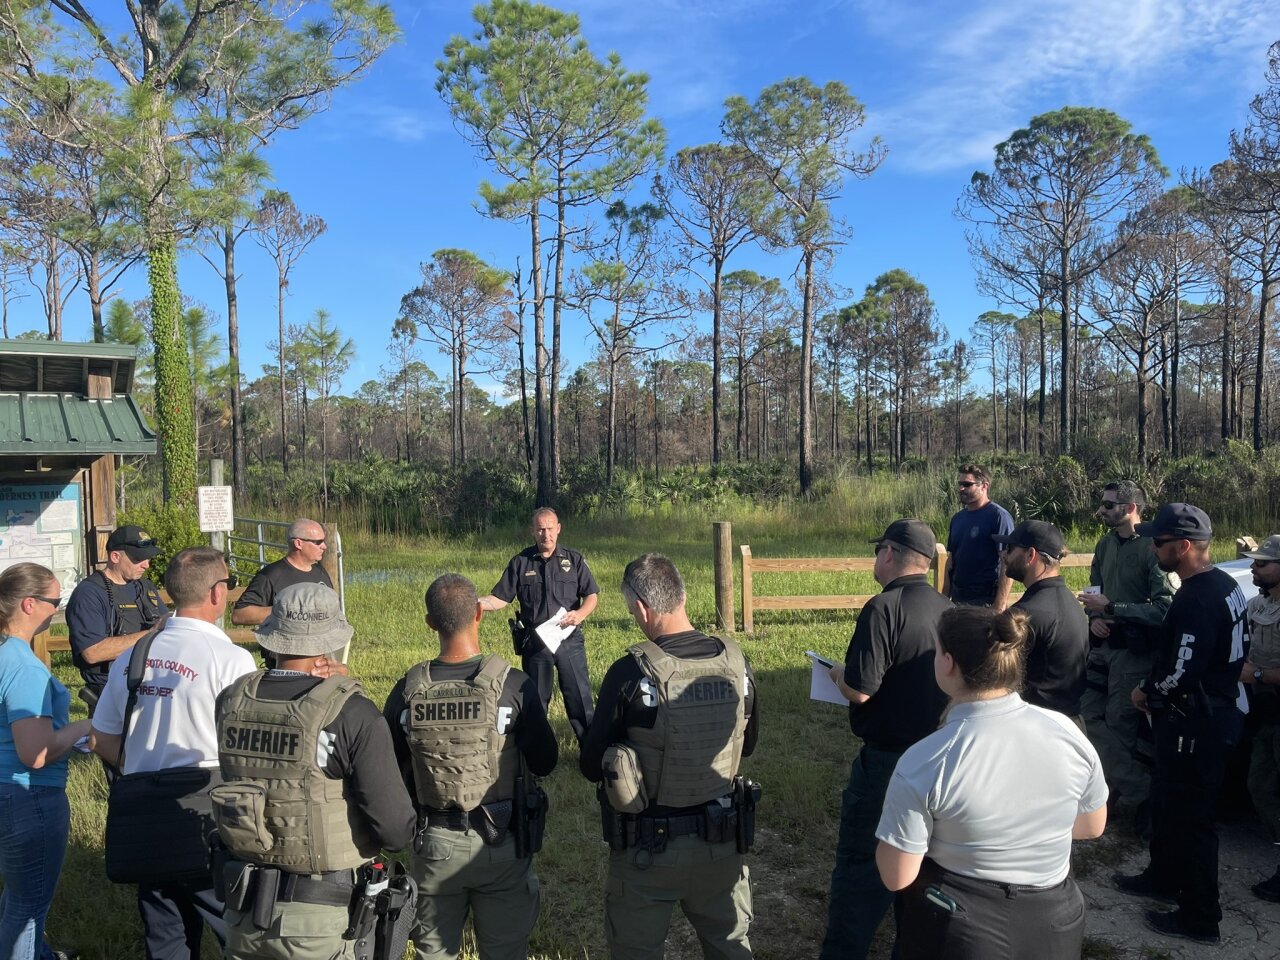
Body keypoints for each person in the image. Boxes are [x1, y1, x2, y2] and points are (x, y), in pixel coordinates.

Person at [874, 606, 1108, 960]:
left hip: (959, 927)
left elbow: (897, 876)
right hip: (1055, 923)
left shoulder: (927, 759)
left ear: (948, 663)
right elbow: (1092, 825)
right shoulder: (1067, 733)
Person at [214, 582, 416, 960]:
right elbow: (394, 829)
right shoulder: (352, 714)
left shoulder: (232, 700)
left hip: (241, 912)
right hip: (320, 921)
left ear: (274, 636)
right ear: (329, 641)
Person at [580, 553, 759, 960]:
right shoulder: (736, 664)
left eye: (632, 610)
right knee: (730, 947)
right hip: (722, 844)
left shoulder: (630, 673)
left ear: (642, 608)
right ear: (682, 595)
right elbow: (745, 745)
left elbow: (592, 765)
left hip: (649, 852)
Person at [92, 547, 258, 960]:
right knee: (237, 933)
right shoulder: (231, 659)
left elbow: (101, 738)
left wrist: (144, 766)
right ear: (217, 594)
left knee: (165, 936)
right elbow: (249, 747)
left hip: (146, 815)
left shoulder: (136, 653)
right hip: (207, 817)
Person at [384, 573, 558, 960]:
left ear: (430, 622)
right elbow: (546, 761)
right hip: (502, 844)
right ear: (479, 613)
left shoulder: (407, 691)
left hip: (434, 847)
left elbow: (391, 769)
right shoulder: (514, 686)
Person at [1114, 503, 1249, 945]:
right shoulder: (1226, 584)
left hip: (1197, 720)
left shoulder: (1196, 598)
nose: (1153, 547)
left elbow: (1182, 669)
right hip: (1205, 713)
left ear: (1184, 547)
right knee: (1169, 803)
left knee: (1192, 818)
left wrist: (1146, 693)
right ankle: (1162, 877)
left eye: (1160, 542)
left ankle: (1199, 917)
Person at [819, 520, 952, 960]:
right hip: (939, 757)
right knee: (922, 869)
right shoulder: (947, 608)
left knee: (862, 868)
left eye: (879, 551)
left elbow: (860, 689)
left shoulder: (883, 607)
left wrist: (837, 673)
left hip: (887, 765)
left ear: (890, 554)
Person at [0, 563, 94, 960]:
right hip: (31, 797)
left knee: (17, 899)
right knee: (28, 911)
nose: (58, 609)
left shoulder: (6, 654)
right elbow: (35, 753)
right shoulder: (23, 666)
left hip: (10, 793)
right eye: (55, 602)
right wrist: (89, 724)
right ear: (28, 604)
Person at [1077, 481, 1176, 833]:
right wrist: (1096, 617)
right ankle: (1134, 788)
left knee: (1121, 726)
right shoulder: (1104, 545)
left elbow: (1165, 607)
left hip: (1134, 653)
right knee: (1086, 718)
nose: (1101, 510)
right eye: (1102, 504)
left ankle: (1132, 798)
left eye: (1108, 505)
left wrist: (1115, 609)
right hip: (1104, 647)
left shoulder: (1152, 548)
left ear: (1130, 507)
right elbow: (1095, 590)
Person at [479, 508, 598, 741]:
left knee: (580, 699)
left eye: (550, 528)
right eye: (541, 529)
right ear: (533, 531)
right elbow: (500, 598)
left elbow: (591, 595)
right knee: (536, 703)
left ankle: (591, 755)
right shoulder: (520, 563)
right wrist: (475, 604)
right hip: (536, 644)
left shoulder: (573, 560)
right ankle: (539, 759)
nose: (546, 534)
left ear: (559, 529)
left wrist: (580, 614)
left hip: (569, 640)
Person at [997, 520, 1090, 720]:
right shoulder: (1072, 604)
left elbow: (997, 681)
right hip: (1070, 722)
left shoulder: (1025, 614)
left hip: (1036, 727)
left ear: (1030, 555)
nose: (1004, 555)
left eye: (1010, 548)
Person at [66, 524, 168, 703]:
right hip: (110, 693)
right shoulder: (89, 594)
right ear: (115, 556)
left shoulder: (145, 588)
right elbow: (92, 652)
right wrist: (151, 634)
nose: (147, 565)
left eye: (148, 558)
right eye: (138, 559)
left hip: (148, 688)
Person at [1238, 534, 1280, 902]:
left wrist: (1258, 675)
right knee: (1261, 785)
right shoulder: (1259, 605)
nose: (1254, 567)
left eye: (1263, 563)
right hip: (1266, 712)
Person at [231, 518, 333, 627]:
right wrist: (288, 611)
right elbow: (239, 614)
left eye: (324, 541)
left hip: (321, 642)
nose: (324, 546)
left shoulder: (320, 571)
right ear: (298, 543)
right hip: (285, 642)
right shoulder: (270, 575)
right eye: (318, 542)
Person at [942, 464, 1013, 609]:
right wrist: (943, 601)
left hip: (985, 601)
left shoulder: (999, 516)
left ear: (984, 486)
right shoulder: (957, 519)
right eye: (960, 484)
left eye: (967, 484)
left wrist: (999, 606)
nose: (961, 488)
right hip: (958, 600)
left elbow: (1007, 561)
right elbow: (951, 561)